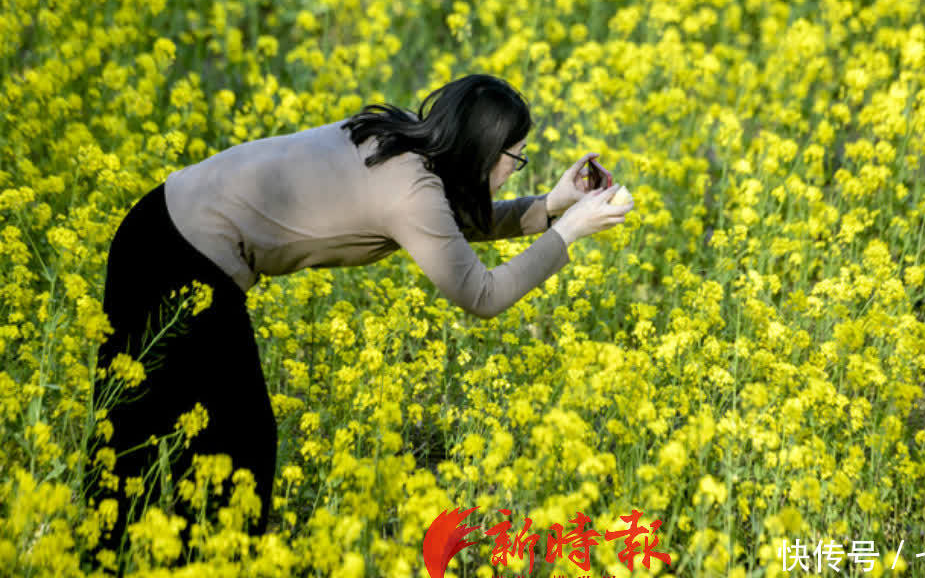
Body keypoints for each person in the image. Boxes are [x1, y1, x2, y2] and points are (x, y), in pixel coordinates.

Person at [88, 73, 631, 565]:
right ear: (485, 149)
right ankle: (198, 562)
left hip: (155, 231)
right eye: (516, 157)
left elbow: (443, 227)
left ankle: (116, 558)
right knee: (226, 440)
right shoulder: (410, 190)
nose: (514, 169)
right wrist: (570, 232)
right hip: (179, 260)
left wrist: (554, 205)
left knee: (150, 434)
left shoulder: (395, 140)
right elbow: (481, 294)